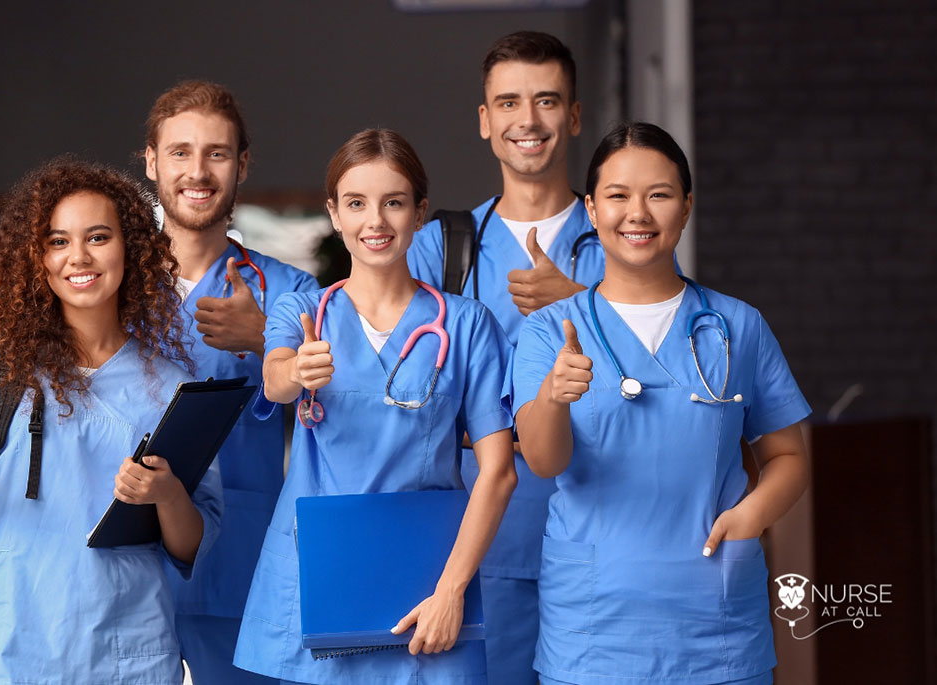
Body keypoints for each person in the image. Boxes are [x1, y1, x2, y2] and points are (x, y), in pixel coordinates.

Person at [513, 122, 811, 684]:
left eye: (659, 194)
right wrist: (554, 396)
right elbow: (544, 462)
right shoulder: (550, 332)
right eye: (618, 196)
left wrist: (750, 517)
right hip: (593, 630)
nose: (638, 214)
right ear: (592, 210)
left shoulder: (737, 327)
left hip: (716, 624)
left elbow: (789, 458)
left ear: (686, 206)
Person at [0, 159, 222, 683]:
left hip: (127, 650)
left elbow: (194, 546)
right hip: (10, 640)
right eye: (57, 242)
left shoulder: (169, 387)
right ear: (36, 258)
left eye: (98, 237)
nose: (79, 257)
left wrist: (167, 495)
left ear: (132, 249)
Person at [233, 129, 518, 684]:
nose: (376, 222)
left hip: (427, 581)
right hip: (322, 577)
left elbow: (499, 472)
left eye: (394, 202)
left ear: (420, 213)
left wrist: (451, 591)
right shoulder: (301, 312)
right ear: (334, 215)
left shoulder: (465, 326)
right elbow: (274, 383)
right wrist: (296, 370)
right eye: (357, 204)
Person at [405, 30, 600, 683]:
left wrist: (575, 302)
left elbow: (664, 367)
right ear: (486, 121)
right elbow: (384, 367)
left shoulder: (619, 242)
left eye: (548, 101)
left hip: (600, 539)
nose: (529, 120)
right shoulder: (445, 247)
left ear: (573, 116)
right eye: (510, 102)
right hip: (481, 543)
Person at [142, 80, 320, 684]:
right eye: (179, 152)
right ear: (151, 162)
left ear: (242, 164)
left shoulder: (293, 296)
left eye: (217, 153)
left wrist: (264, 340)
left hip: (242, 568)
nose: (198, 171)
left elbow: (349, 412)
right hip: (127, 575)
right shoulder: (107, 288)